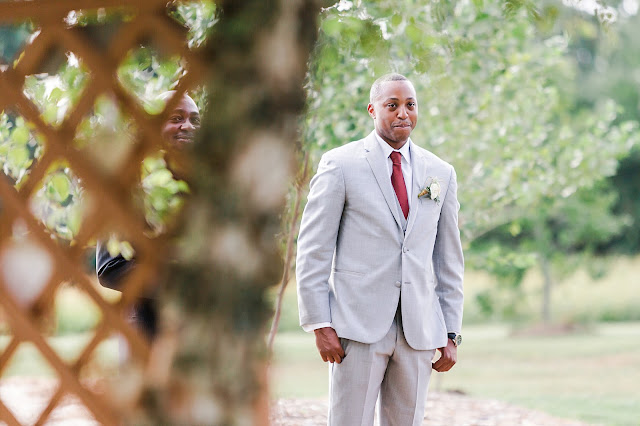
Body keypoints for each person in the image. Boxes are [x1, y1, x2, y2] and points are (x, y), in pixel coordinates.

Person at [296, 73, 464, 426]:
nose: (403, 113)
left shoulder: (441, 173)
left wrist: (451, 332)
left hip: (419, 332)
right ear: (373, 110)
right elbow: (313, 250)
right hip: (356, 329)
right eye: (393, 105)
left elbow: (449, 261)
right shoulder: (340, 165)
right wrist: (320, 324)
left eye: (410, 105)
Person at [96, 91, 200, 341]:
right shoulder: (130, 186)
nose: (187, 126)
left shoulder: (210, 184)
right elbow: (110, 268)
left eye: (195, 120)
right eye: (176, 118)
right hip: (147, 336)